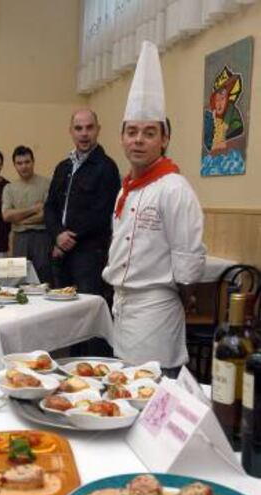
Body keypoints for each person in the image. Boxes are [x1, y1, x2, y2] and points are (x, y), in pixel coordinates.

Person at [102, 41, 206, 376]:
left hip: (156, 310)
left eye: (149, 133)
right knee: (124, 390)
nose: (138, 140)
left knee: (152, 393)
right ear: (121, 138)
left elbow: (188, 267)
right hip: (122, 305)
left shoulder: (174, 189)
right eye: (131, 132)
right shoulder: (126, 189)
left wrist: (181, 296)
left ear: (164, 139)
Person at [44, 109, 121, 296]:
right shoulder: (63, 167)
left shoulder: (107, 167)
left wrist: (68, 239)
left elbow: (103, 212)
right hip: (60, 253)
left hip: (90, 255)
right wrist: (58, 235)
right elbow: (50, 206)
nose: (84, 133)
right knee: (60, 311)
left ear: (98, 130)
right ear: (71, 131)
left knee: (87, 311)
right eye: (78, 128)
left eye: (89, 128)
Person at [1, 146, 52, 284]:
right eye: (19, 163)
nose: (24, 166)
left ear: (33, 162)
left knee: (44, 279)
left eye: (27, 162)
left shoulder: (47, 184)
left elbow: (45, 215)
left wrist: (20, 220)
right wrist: (33, 209)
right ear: (15, 165)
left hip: (42, 238)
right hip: (19, 239)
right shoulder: (9, 188)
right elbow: (6, 216)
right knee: (17, 281)